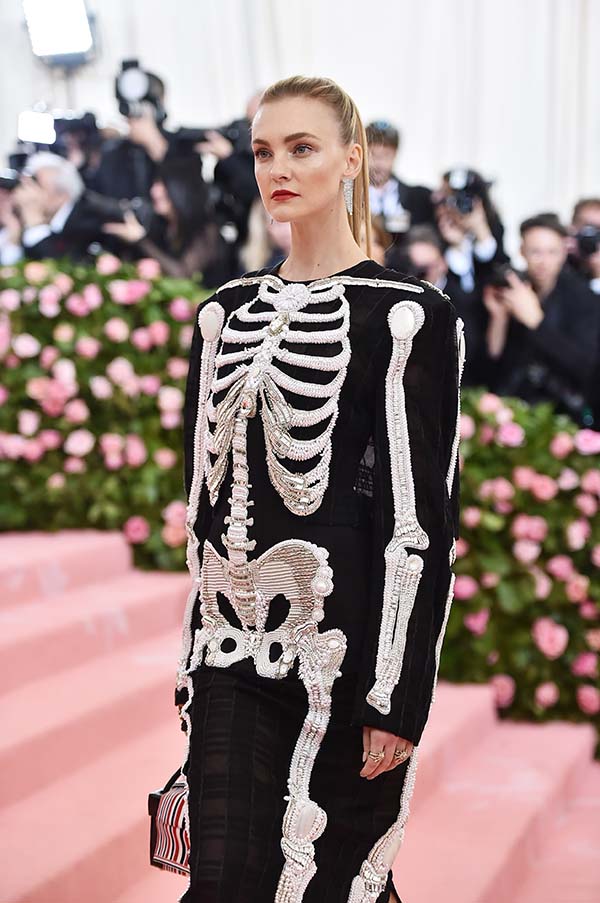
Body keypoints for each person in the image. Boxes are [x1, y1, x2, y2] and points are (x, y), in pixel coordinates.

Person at [175, 74, 464, 903]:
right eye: (265, 150)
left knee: (331, 885)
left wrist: (399, 693)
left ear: (350, 161)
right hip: (228, 647)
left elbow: (421, 518)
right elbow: (204, 500)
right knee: (225, 880)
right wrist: (191, 654)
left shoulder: (407, 315)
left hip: (344, 655)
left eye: (302, 148)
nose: (279, 168)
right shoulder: (222, 313)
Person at [484, 212, 599, 425]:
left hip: (564, 417)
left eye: (552, 252)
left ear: (564, 253)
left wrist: (536, 322)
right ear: (522, 252)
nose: (543, 261)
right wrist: (498, 318)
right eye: (535, 252)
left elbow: (586, 367)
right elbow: (492, 364)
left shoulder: (584, 298)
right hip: (512, 411)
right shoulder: (515, 289)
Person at [102, 156, 231, 285]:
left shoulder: (207, 230)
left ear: (180, 189)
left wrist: (141, 240)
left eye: (161, 185)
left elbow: (182, 276)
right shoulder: (161, 226)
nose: (154, 191)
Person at [11, 152, 103, 262]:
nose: (29, 193)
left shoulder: (88, 219)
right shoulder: (27, 219)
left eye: (36, 184)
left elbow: (62, 265)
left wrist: (34, 222)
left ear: (61, 195)